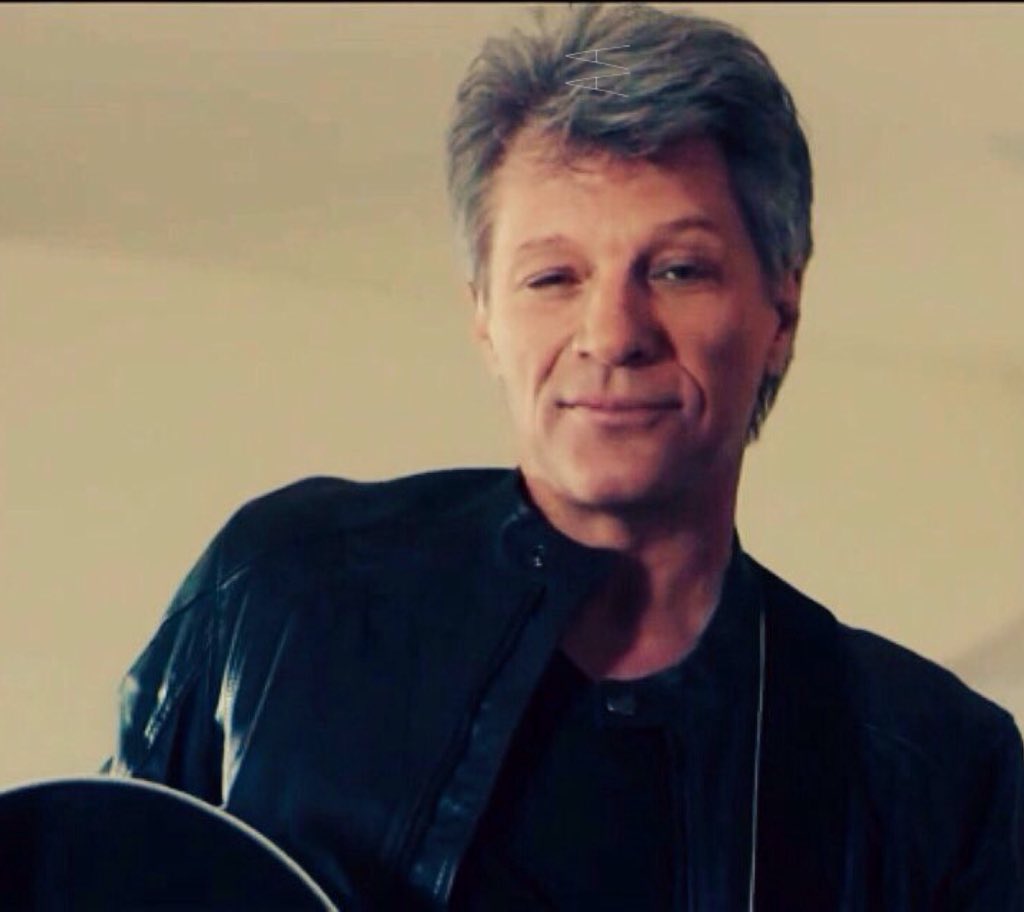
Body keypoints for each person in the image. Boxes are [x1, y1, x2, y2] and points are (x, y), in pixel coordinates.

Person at [106, 3, 1024, 910]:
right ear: (483, 315)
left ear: (779, 312)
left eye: (678, 270)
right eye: (553, 277)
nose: (613, 334)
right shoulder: (282, 594)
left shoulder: (936, 769)